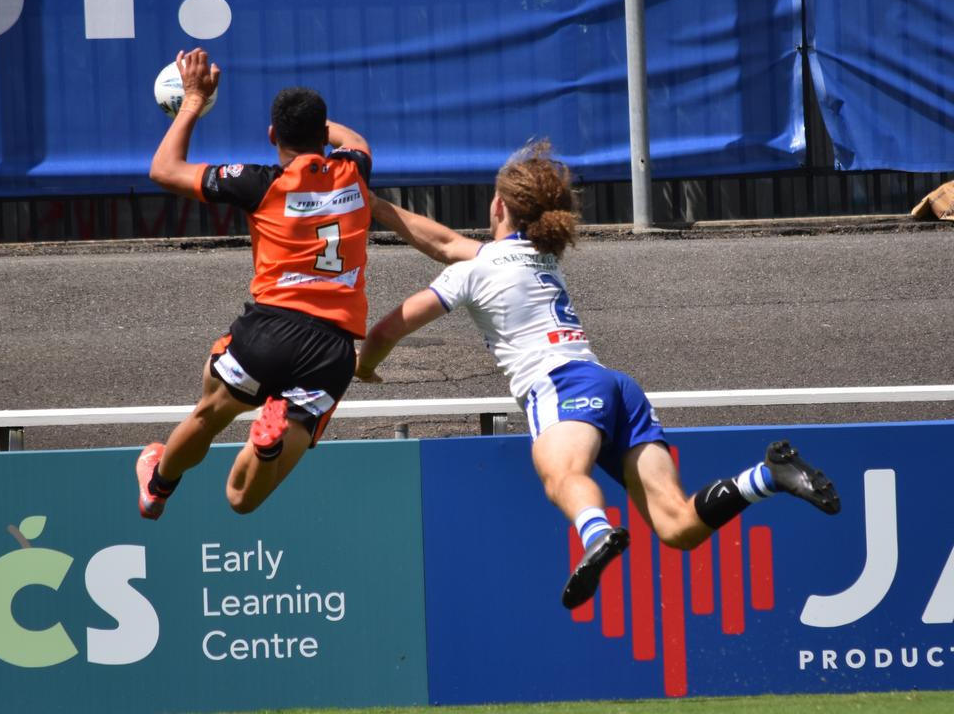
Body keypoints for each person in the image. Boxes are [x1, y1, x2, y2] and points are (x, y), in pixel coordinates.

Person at [360, 140, 841, 609]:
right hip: (614, 387)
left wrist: (365, 367)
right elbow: (445, 243)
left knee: (562, 475)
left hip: (561, 385)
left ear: (498, 206)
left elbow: (386, 328)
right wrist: (377, 206)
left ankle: (596, 532)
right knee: (677, 527)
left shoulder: (475, 271)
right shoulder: (540, 255)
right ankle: (766, 476)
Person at [138, 47, 374, 519]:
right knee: (243, 500)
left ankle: (157, 489)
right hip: (332, 349)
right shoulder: (354, 169)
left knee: (209, 411)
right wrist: (314, 125)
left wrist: (192, 100)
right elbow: (356, 140)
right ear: (323, 136)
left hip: (270, 331)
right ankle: (266, 448)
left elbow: (164, 169)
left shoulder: (258, 182)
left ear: (272, 135)